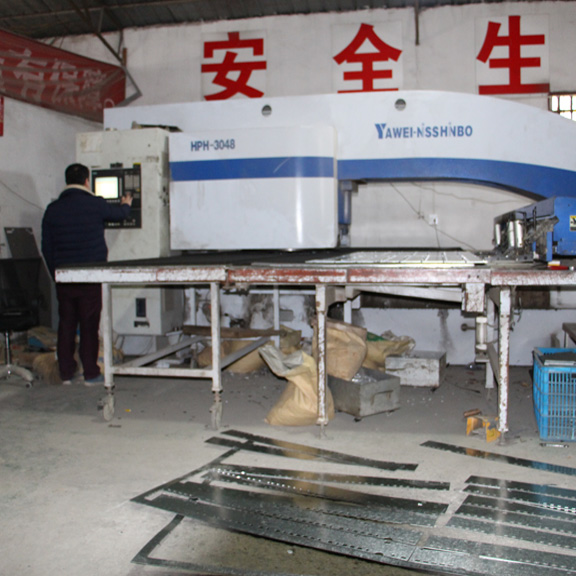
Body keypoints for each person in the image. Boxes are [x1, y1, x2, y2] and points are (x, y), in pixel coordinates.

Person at [41, 163, 133, 386]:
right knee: (89, 324)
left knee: (66, 324)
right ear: (86, 181)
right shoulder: (95, 204)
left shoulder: (53, 209)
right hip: (90, 275)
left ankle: (65, 372)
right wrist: (127, 203)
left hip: (65, 276)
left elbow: (46, 247)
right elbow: (120, 214)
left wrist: (57, 274)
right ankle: (90, 372)